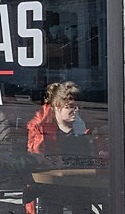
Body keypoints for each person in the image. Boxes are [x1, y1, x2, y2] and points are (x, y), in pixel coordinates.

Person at [24, 81, 99, 214]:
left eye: (78, 106)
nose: (76, 110)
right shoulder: (42, 135)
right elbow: (37, 162)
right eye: (70, 107)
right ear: (57, 107)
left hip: (79, 189)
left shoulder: (83, 133)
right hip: (49, 190)